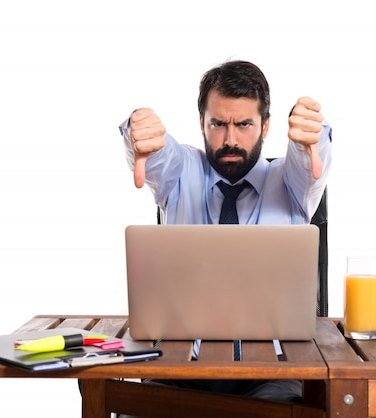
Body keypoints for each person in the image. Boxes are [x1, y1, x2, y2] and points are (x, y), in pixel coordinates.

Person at [117, 60, 332, 411]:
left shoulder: (294, 183)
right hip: (177, 371)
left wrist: (314, 136)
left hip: (271, 377)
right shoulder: (180, 172)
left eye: (244, 124)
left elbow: (309, 159)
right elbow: (158, 156)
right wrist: (137, 133)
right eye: (217, 124)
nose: (230, 140)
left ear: (266, 127)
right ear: (201, 123)